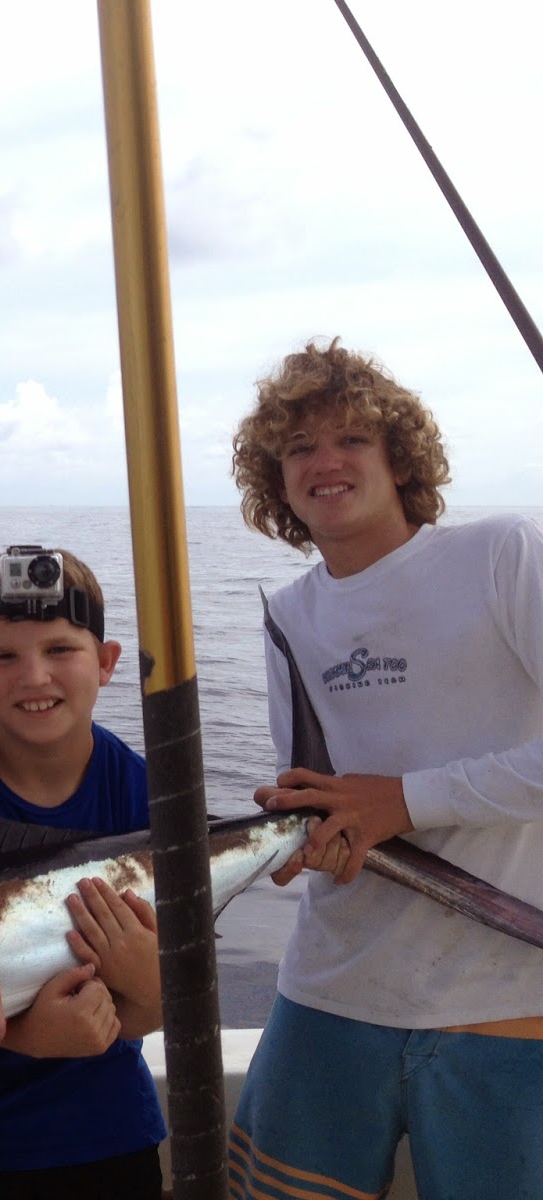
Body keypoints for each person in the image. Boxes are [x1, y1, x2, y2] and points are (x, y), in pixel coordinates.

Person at [228, 337, 543, 1200]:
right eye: (298, 449)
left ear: (398, 456)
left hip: (507, 993)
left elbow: (386, 803)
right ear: (277, 480)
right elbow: (319, 792)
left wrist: (403, 802)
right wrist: (307, 833)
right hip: (329, 988)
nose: (324, 463)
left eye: (350, 440)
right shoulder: (290, 613)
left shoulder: (502, 554)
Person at [0, 545, 166, 1200]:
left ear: (107, 663)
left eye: (60, 650)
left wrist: (151, 988)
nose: (34, 677)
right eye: (5, 657)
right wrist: (25, 1038)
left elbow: (157, 998)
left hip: (110, 1132)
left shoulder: (149, 795)